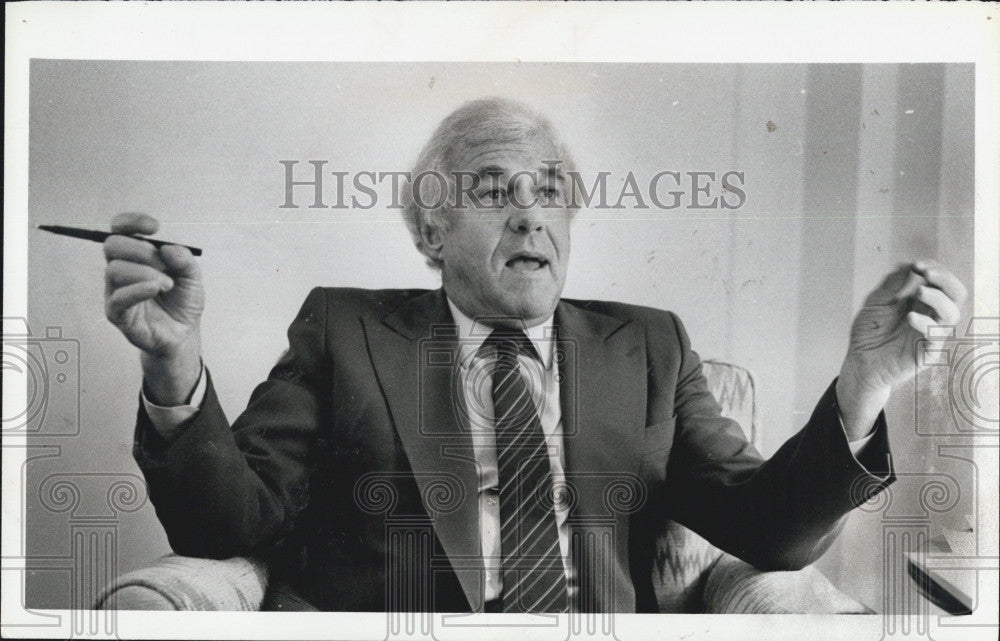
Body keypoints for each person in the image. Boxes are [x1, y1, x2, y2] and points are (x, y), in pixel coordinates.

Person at [103, 97, 966, 613]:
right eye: (492, 189)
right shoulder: (344, 329)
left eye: (549, 190)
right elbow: (231, 527)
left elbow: (766, 527)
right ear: (431, 228)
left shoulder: (650, 343)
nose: (530, 214)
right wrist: (173, 366)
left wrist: (860, 389)